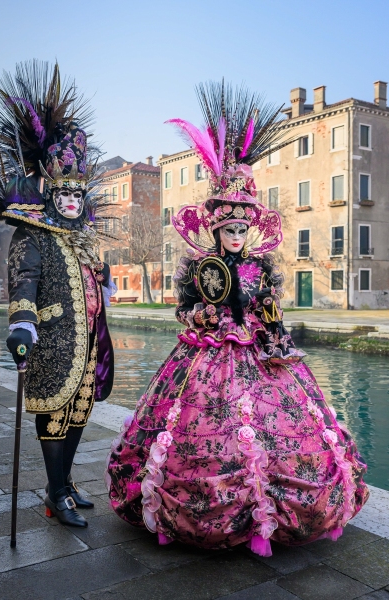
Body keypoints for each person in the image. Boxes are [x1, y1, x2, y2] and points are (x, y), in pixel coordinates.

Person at [106, 81, 369, 556]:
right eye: (229, 229)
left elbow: (270, 306)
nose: (235, 235)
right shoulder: (197, 268)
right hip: (207, 356)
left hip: (259, 351)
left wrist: (272, 323)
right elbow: (183, 308)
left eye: (242, 228)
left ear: (250, 230)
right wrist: (199, 315)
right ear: (216, 229)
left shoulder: (261, 265)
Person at [0, 60, 116, 528]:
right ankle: (55, 494)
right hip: (55, 345)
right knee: (54, 415)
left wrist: (103, 277)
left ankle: (67, 483)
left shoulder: (85, 239)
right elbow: (24, 284)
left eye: (79, 196)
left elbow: (94, 285)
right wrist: (21, 326)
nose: (73, 202)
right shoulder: (34, 236)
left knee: (79, 414)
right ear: (53, 194)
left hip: (89, 345)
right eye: (66, 196)